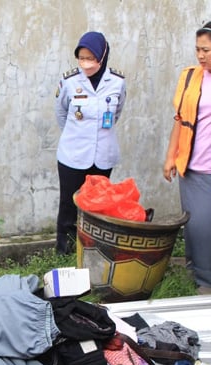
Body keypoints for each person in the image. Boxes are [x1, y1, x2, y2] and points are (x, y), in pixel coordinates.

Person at [163, 21, 211, 294]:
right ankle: (196, 270)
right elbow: (181, 119)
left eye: (206, 50)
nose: (200, 56)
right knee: (194, 224)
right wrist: (171, 155)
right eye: (197, 50)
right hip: (190, 165)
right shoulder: (191, 76)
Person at [54, 31, 126, 255]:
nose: (86, 64)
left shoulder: (117, 82)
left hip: (103, 154)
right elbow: (61, 113)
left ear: (102, 56)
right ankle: (65, 250)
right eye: (81, 58)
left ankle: (92, 250)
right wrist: (78, 135)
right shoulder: (69, 81)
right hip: (72, 154)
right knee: (69, 204)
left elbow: (116, 113)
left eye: (90, 58)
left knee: (98, 205)